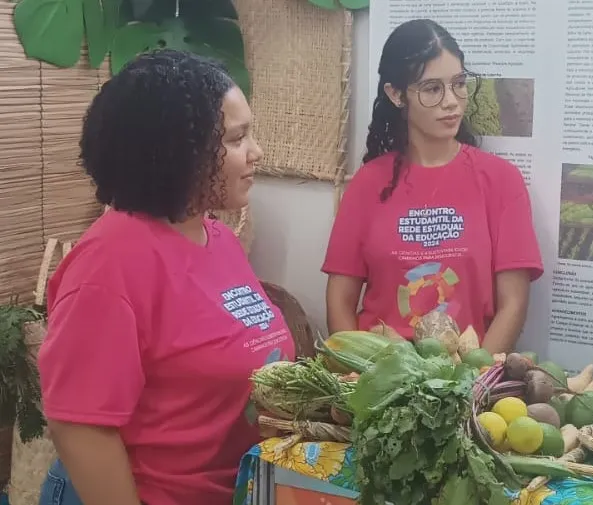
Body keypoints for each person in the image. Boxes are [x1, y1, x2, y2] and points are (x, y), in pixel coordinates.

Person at [37, 50, 295, 505]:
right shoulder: (109, 266)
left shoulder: (217, 237)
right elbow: (79, 426)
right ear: (180, 152)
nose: (256, 152)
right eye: (237, 139)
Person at [322, 19, 543, 354]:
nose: (451, 101)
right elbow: (340, 301)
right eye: (432, 89)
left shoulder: (501, 180)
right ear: (396, 94)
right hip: (381, 370)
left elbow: (513, 304)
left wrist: (476, 375)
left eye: (458, 84)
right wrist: (360, 368)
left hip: (466, 371)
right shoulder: (367, 184)